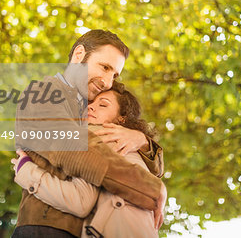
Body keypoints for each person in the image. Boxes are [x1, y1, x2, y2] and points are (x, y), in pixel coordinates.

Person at [12, 30, 166, 237]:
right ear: (79, 55)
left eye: (114, 75)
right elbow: (77, 152)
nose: (107, 81)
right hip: (45, 228)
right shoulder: (42, 93)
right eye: (104, 67)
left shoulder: (87, 107)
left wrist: (143, 142)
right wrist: (150, 189)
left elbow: (144, 161)